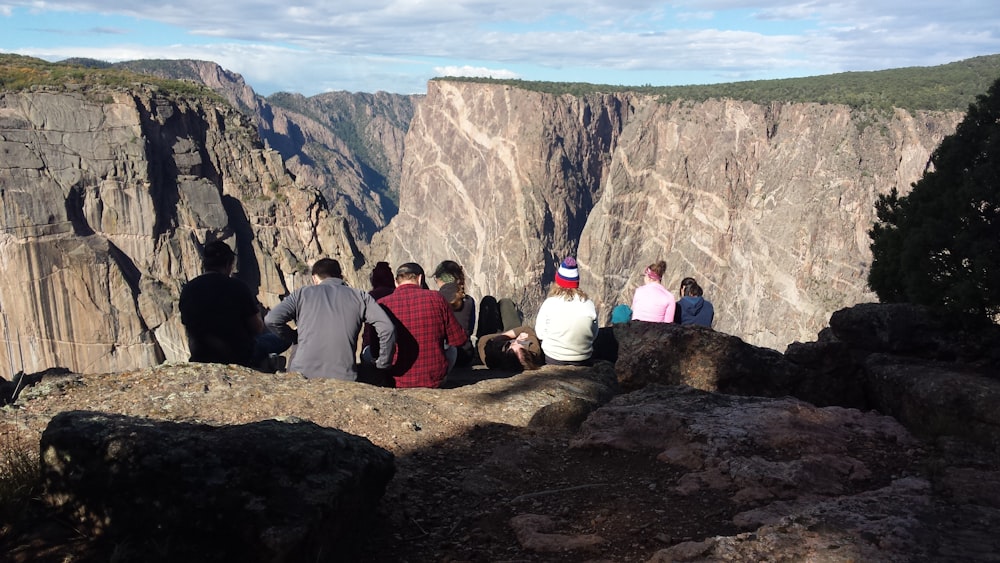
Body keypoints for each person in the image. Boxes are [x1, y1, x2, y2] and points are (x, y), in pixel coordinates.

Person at [264, 258, 395, 380]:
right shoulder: (360, 297)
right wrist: (382, 363)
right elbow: (387, 329)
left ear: (314, 278)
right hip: (344, 377)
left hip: (302, 375)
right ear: (340, 276)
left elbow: (272, 319)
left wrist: (294, 336)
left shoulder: (302, 294)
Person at [377, 262, 468, 388]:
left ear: (396, 282)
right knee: (451, 349)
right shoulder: (437, 298)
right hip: (434, 380)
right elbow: (459, 340)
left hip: (396, 379)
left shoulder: (382, 304)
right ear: (420, 279)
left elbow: (375, 348)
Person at [179, 240, 264, 368]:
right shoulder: (238, 287)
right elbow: (257, 327)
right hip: (239, 357)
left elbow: (187, 323)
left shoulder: (188, 289)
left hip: (201, 356)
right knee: (277, 340)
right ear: (228, 264)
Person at [534, 256, 598, 366]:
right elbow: (594, 334)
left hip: (553, 358)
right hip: (582, 359)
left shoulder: (550, 303)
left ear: (558, 282)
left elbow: (540, 334)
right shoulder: (589, 304)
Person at [432, 260, 477, 368]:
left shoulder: (434, 299)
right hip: (465, 356)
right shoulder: (469, 300)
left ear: (437, 279)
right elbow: (469, 330)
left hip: (444, 356)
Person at [477, 326, 544, 372]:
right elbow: (527, 329)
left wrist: (501, 337)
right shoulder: (533, 350)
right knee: (506, 305)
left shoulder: (491, 359)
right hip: (512, 331)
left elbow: (483, 340)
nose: (514, 343)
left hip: (496, 337)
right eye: (520, 345)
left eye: (511, 347)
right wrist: (513, 337)